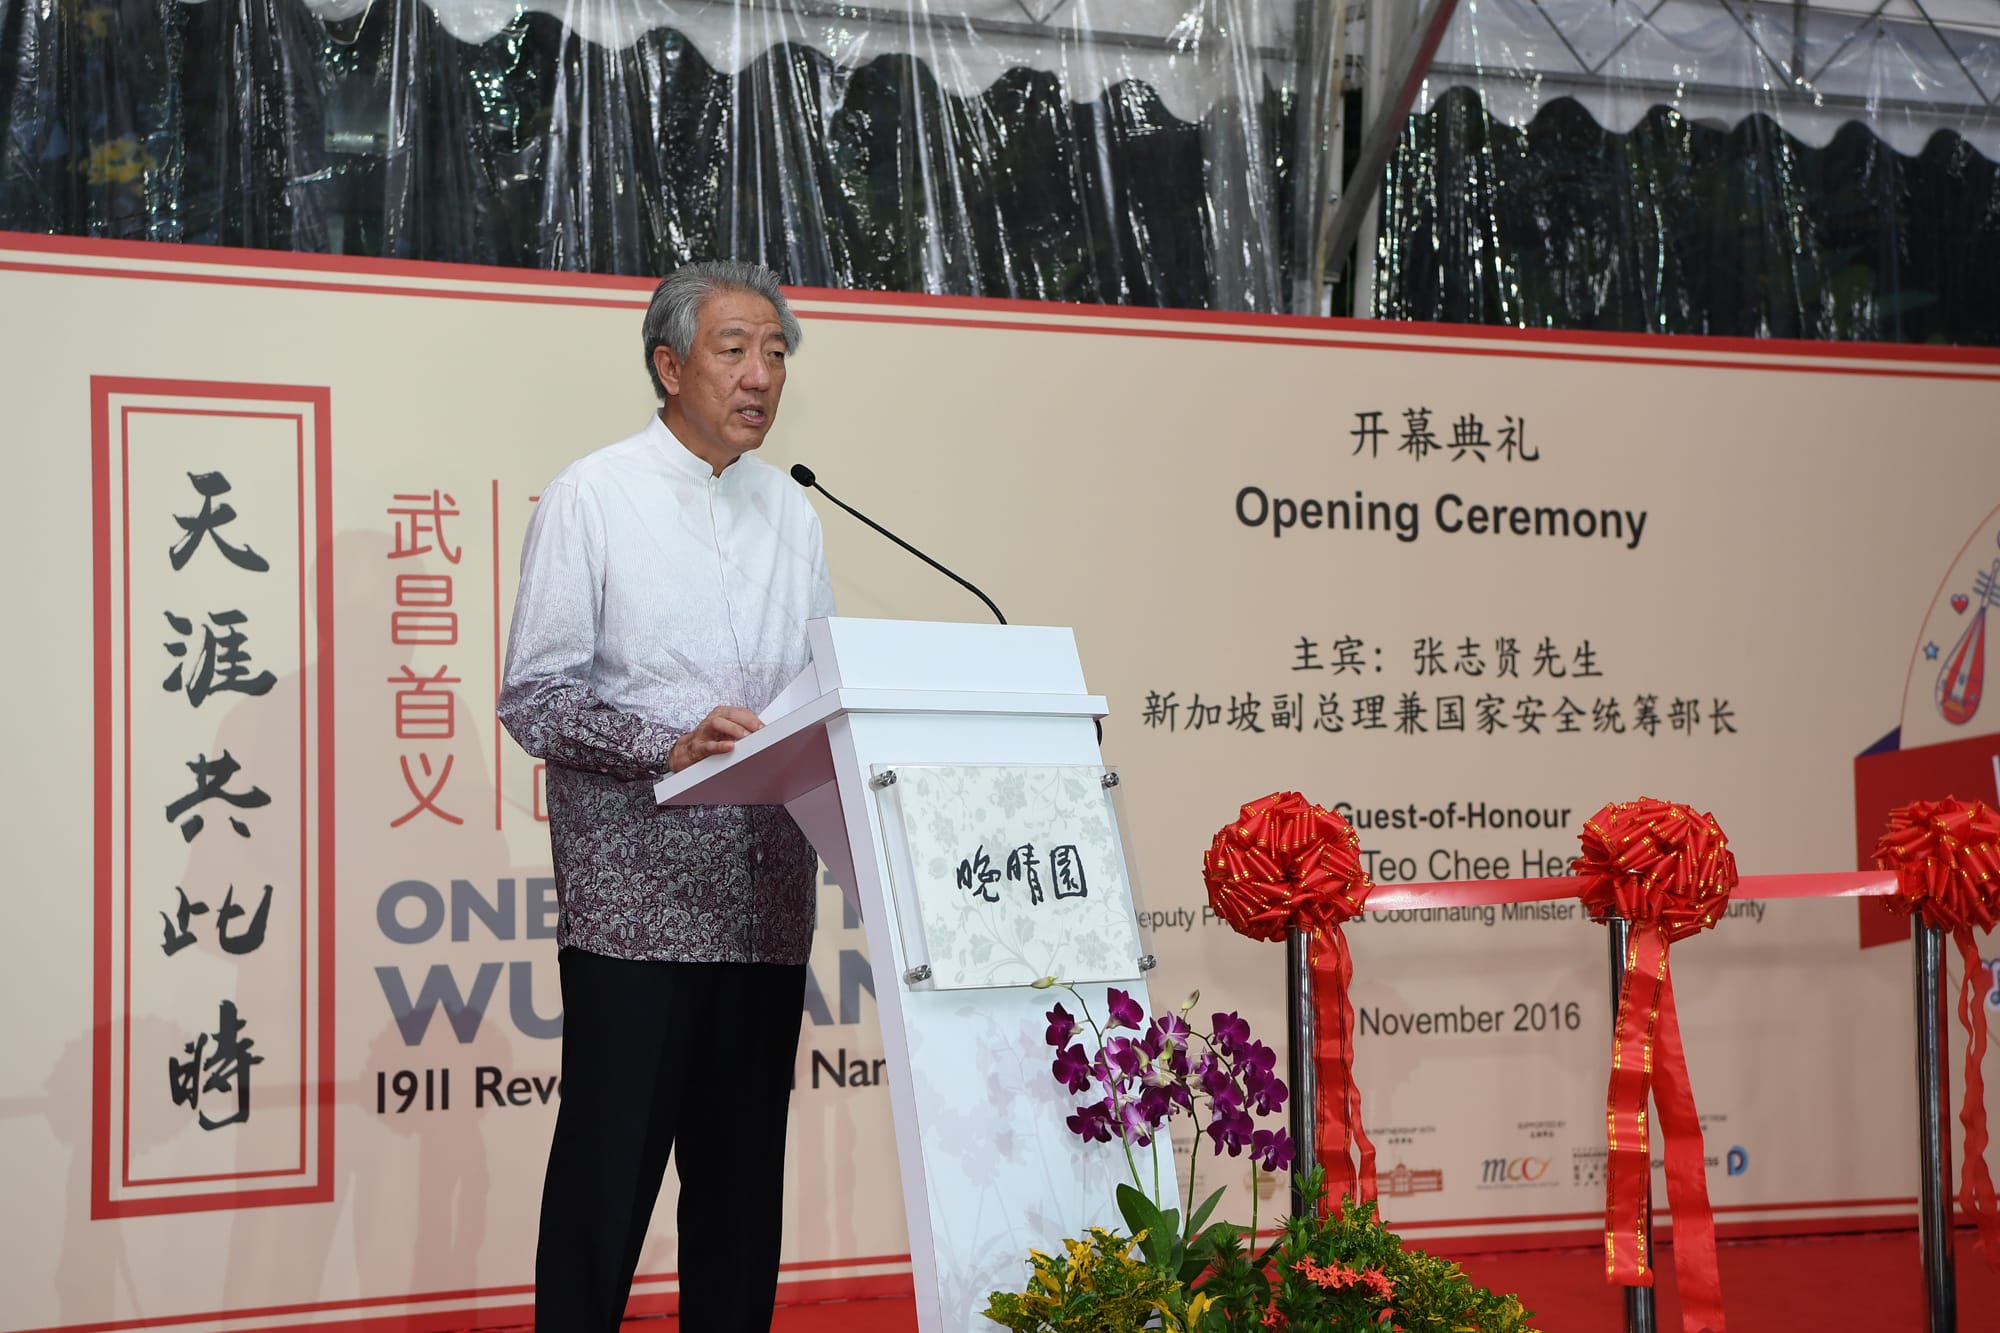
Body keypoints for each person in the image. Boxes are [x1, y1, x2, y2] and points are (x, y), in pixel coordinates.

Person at [497, 260, 835, 1332]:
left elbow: (816, 690)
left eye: (775, 353)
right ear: (668, 362)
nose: (759, 376)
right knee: (605, 1194)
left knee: (741, 1207)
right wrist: (669, 744)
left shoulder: (795, 511)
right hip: (638, 912)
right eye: (733, 350)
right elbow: (533, 698)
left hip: (764, 903)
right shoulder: (595, 494)